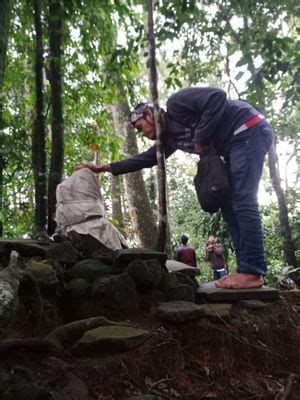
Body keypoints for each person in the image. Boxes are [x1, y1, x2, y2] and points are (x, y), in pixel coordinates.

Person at [77, 86, 274, 289]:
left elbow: (218, 97)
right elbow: (146, 159)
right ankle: (246, 270)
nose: (142, 133)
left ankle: (252, 271)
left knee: (243, 200)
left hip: (247, 129)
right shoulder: (170, 139)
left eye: (139, 126)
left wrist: (200, 139)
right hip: (235, 143)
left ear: (149, 114)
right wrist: (105, 168)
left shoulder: (176, 104)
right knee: (230, 208)